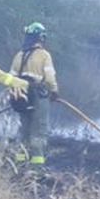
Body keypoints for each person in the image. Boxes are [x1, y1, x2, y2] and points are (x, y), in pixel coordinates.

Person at [9, 22, 60, 172]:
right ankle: (36, 169)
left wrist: (15, 94)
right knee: (38, 131)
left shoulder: (19, 55)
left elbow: (11, 77)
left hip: (21, 95)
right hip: (38, 95)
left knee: (23, 129)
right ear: (41, 38)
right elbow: (50, 78)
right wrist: (54, 91)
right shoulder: (44, 55)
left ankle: (19, 166)